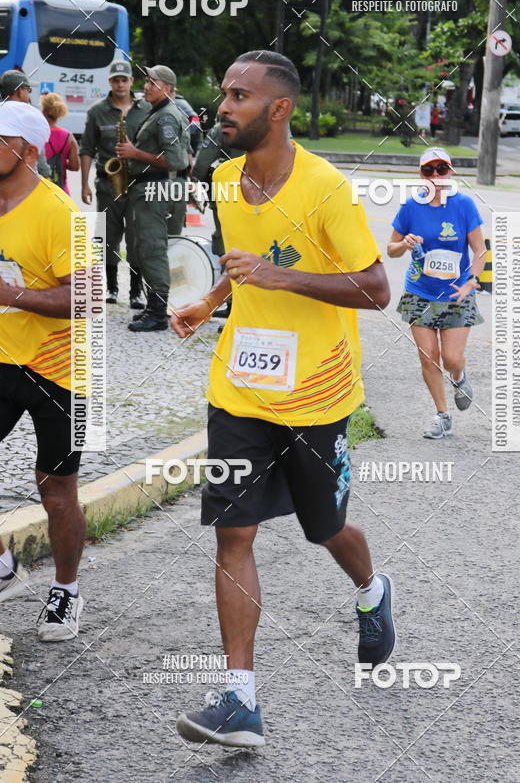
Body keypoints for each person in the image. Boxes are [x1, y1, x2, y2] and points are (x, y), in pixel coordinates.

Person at [171, 50, 395, 749]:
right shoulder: (225, 179)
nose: (223, 106)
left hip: (318, 393)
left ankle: (371, 590)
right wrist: (209, 300)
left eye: (239, 95)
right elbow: (245, 267)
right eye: (223, 92)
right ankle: (241, 702)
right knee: (233, 532)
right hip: (239, 385)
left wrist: (281, 276)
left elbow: (375, 289)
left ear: (279, 108)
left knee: (326, 529)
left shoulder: (326, 189)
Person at [0, 101, 86, 640]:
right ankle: (4, 567)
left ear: (28, 152)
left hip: (63, 371)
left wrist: (11, 293)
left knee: (56, 490)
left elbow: (88, 297)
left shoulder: (62, 214)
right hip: (1, 358)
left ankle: (66, 591)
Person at [388, 147, 486, 439]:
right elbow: (390, 250)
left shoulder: (464, 205)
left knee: (452, 358)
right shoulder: (410, 207)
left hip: (457, 292)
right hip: (419, 292)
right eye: (428, 170)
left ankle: (459, 376)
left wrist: (472, 280)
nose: (435, 175)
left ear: (450, 172)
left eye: (441, 169)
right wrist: (404, 243)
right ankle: (442, 416)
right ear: (420, 174)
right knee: (428, 358)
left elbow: (480, 250)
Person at [115, 64, 189, 332]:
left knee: (153, 249)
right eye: (146, 82)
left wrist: (135, 154)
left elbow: (176, 160)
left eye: (152, 83)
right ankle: (153, 306)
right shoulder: (158, 113)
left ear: (167, 88)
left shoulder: (166, 117)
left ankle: (158, 313)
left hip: (155, 191)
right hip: (150, 190)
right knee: (147, 249)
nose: (145, 86)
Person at [79, 60, 150, 308]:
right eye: (115, 80)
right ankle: (110, 287)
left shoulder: (145, 108)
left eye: (124, 79)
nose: (120, 84)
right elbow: (86, 148)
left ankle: (135, 292)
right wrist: (84, 185)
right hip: (108, 184)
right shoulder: (97, 111)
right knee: (107, 238)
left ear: (132, 81)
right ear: (109, 82)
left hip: (138, 184)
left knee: (136, 238)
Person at [192, 121, 245, 318]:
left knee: (227, 245)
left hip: (230, 192)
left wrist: (200, 177)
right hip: (264, 194)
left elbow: (202, 164)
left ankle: (232, 307)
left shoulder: (223, 125)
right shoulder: (269, 122)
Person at [0, 70, 51, 178]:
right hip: (21, 181)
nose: (29, 94)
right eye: (29, 90)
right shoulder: (30, 115)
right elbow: (39, 156)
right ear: (20, 91)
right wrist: (46, 174)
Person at [40, 92, 79, 194]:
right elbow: (75, 166)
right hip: (61, 192)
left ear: (44, 111)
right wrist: (61, 162)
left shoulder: (37, 133)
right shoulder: (68, 136)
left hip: (40, 190)